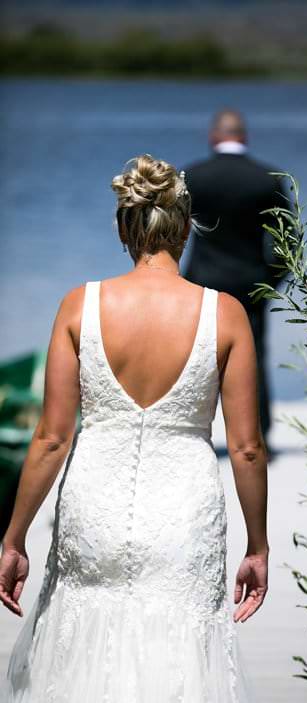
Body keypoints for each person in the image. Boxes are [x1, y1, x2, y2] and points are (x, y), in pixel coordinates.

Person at [1, 155, 270, 700]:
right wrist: (257, 545)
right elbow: (244, 449)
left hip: (92, 510)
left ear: (125, 226)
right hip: (184, 517)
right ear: (188, 225)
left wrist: (13, 536)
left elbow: (52, 438)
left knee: (82, 654)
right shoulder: (226, 315)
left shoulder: (80, 305)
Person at [183, 108, 292, 438]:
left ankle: (191, 433)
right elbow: (288, 241)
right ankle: (257, 436)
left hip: (200, 284)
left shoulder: (191, 176)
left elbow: (170, 233)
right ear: (244, 136)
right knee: (253, 358)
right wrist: (271, 282)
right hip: (250, 285)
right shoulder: (267, 179)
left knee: (195, 361)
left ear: (213, 136)